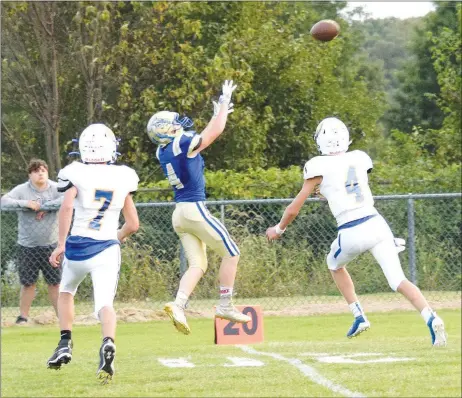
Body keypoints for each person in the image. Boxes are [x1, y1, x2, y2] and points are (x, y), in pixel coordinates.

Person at [266, 117, 447, 347]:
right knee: (398, 280)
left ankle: (358, 314)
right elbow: (349, 185)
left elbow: (293, 209)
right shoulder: (360, 157)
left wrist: (278, 229)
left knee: (333, 263)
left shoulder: (317, 165)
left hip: (351, 228)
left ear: (321, 140)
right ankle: (430, 316)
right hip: (377, 223)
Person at [147, 80, 251, 335]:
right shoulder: (180, 144)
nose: (178, 124)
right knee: (232, 253)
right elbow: (213, 133)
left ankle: (178, 304)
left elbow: (204, 133)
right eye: (173, 124)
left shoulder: (163, 151)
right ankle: (225, 304)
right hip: (194, 208)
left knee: (198, 264)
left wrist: (218, 114)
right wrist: (224, 104)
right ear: (166, 131)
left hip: (179, 213)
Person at [46, 123, 140, 383]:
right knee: (104, 305)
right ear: (111, 148)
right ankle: (108, 342)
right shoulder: (124, 176)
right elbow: (133, 224)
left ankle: (65, 341)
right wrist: (115, 238)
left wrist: (61, 243)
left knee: (66, 292)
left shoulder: (74, 172)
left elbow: (66, 208)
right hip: (106, 248)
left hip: (77, 246)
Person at [1, 159, 63, 325]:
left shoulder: (55, 187)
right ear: (30, 174)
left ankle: (61, 316)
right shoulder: (22, 190)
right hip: (27, 245)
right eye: (36, 171)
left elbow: (69, 198)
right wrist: (25, 204)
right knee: (28, 283)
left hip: (52, 246)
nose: (40, 173)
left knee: (55, 283)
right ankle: (23, 317)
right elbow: (4, 201)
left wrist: (46, 206)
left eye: (43, 170)